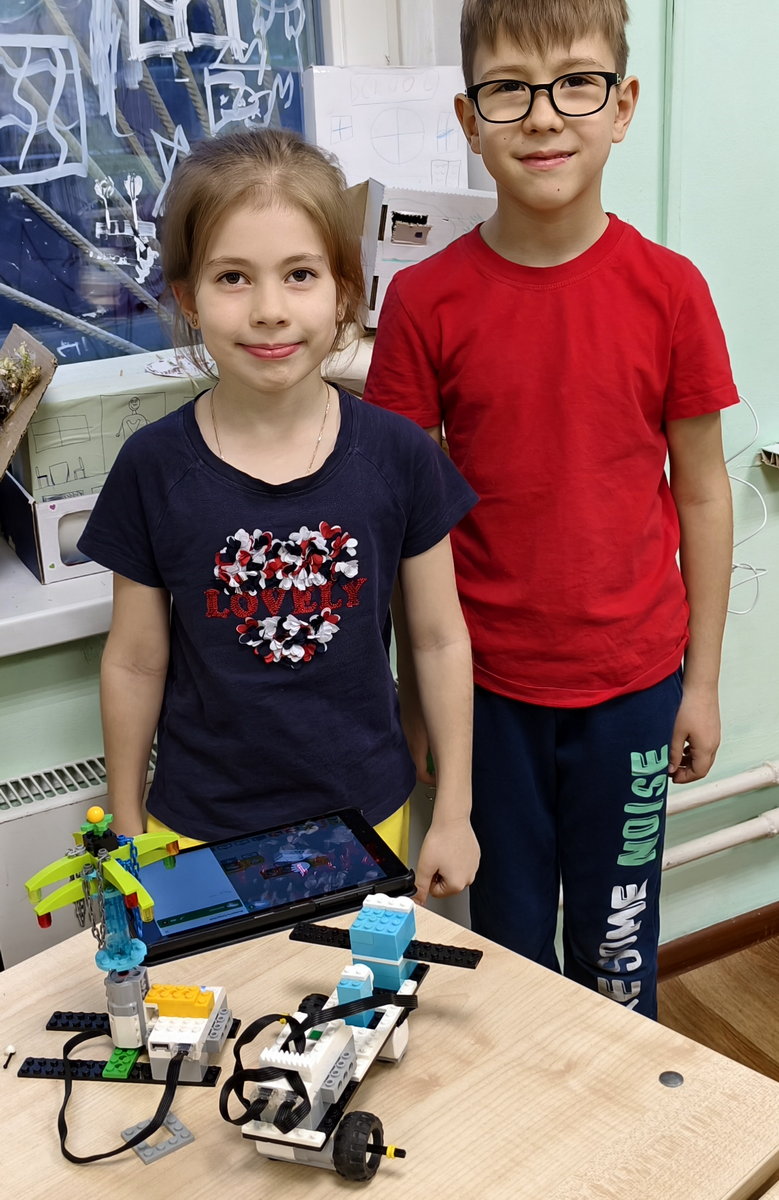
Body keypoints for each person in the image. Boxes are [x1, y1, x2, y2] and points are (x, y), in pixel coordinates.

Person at [363, 0, 737, 1016]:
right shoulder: (424, 304)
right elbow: (407, 527)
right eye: (507, 89)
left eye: (574, 83)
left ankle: (621, 1110)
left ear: (621, 106)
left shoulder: (670, 291)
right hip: (486, 694)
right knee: (511, 947)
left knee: (617, 948)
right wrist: (414, 700)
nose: (541, 114)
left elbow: (702, 490)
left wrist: (701, 682)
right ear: (467, 116)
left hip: (635, 687)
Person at [78, 128, 480, 906]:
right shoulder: (152, 467)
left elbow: (437, 639)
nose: (269, 311)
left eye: (299, 274)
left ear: (343, 293)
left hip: (367, 815)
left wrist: (454, 809)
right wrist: (125, 826)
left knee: (355, 984)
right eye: (233, 277)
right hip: (194, 827)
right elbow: (133, 662)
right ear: (188, 299)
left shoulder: (400, 456)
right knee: (216, 989)